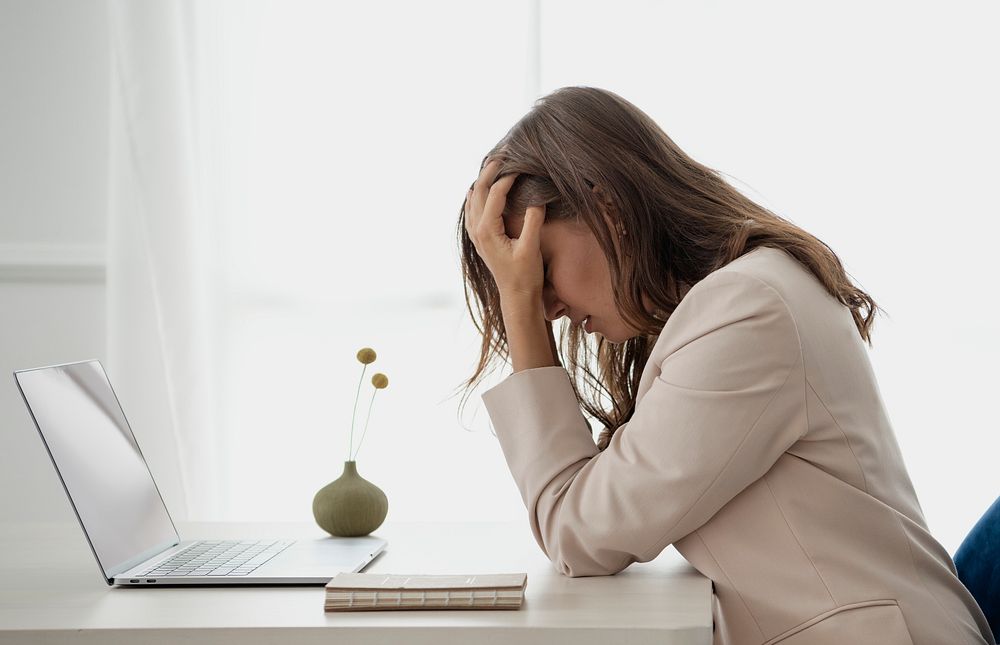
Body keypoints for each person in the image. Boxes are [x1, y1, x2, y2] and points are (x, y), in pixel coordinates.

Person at [456, 86, 995, 645]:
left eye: (538, 267)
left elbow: (578, 532)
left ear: (607, 209)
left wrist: (520, 315)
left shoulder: (747, 312)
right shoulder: (729, 304)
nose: (548, 308)